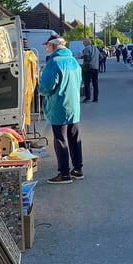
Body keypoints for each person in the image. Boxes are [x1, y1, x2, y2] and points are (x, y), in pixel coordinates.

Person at [39, 37, 83, 184]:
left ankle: (64, 173)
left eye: (47, 46)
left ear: (53, 46)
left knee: (60, 139)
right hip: (73, 105)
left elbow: (46, 87)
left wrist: (39, 88)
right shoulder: (73, 61)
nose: (46, 49)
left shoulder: (54, 62)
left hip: (59, 105)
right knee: (74, 137)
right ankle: (78, 169)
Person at [81, 38, 100, 102]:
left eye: (84, 43)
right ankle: (95, 98)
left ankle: (88, 97)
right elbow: (100, 57)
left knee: (87, 83)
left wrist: (83, 66)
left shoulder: (87, 48)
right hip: (96, 67)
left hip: (89, 68)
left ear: (87, 43)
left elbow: (87, 59)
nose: (83, 44)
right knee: (95, 83)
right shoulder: (96, 48)